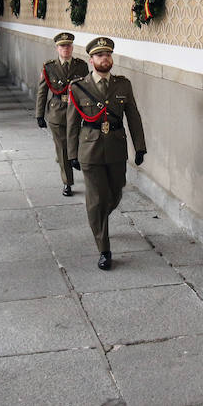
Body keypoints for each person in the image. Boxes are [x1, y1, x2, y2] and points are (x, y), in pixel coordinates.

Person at [66, 37, 146, 270]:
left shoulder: (123, 85)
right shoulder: (79, 87)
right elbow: (72, 124)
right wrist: (72, 153)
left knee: (115, 192)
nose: (105, 59)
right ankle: (104, 248)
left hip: (116, 149)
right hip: (89, 150)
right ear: (91, 60)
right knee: (97, 200)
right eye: (100, 56)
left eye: (108, 55)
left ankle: (100, 218)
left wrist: (140, 146)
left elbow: (133, 116)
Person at [36, 32, 89, 196]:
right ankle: (67, 182)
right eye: (62, 46)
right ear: (57, 48)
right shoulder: (49, 66)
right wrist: (39, 114)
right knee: (63, 148)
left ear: (72, 47)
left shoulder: (81, 66)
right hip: (57, 111)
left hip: (78, 112)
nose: (65, 49)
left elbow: (88, 90)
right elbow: (42, 91)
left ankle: (70, 159)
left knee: (78, 143)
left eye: (68, 45)